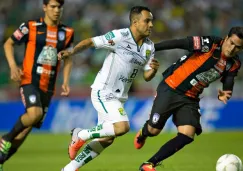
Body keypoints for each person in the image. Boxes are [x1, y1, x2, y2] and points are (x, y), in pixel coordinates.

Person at [59, 6, 159, 171]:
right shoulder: (120, 36)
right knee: (122, 127)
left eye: (152, 21)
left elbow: (147, 76)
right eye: (147, 21)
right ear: (135, 22)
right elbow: (91, 41)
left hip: (120, 97)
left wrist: (153, 70)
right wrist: (72, 52)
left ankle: (69, 169)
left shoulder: (150, 47)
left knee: (107, 139)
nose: (151, 25)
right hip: (104, 91)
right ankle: (81, 134)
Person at [134, 26, 243, 171]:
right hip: (171, 87)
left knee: (187, 134)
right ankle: (143, 133)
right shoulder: (209, 44)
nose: (232, 48)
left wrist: (226, 91)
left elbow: (229, 80)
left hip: (191, 98)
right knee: (154, 131)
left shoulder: (234, 64)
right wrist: (153, 48)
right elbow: (179, 43)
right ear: (226, 38)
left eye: (238, 47)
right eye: (231, 43)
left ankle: (149, 164)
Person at [0, 0, 74, 170]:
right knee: (34, 114)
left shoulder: (67, 32)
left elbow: (68, 57)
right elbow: (8, 43)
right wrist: (13, 66)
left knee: (25, 131)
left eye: (59, 7)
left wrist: (66, 80)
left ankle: (0, 161)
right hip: (29, 80)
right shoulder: (30, 26)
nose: (56, 10)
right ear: (44, 7)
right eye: (53, 7)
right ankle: (6, 137)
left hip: (48, 87)